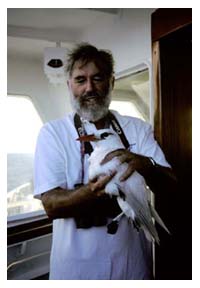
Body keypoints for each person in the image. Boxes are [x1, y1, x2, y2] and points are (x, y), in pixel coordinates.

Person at [34, 43, 172, 280]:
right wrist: (94, 192)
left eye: (97, 78)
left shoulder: (138, 130)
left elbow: (171, 186)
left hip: (132, 264)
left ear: (111, 82)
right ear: (69, 85)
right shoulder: (53, 133)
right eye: (80, 80)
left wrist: (145, 165)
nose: (89, 88)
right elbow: (51, 205)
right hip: (76, 270)